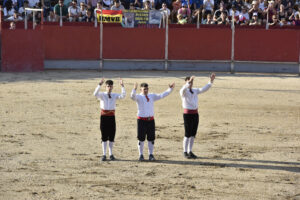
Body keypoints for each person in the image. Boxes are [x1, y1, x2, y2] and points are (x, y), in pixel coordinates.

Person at [131, 82, 175, 161]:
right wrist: (134, 89)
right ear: (141, 89)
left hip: (150, 120)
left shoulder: (151, 96)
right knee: (141, 138)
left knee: (151, 138)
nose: (146, 90)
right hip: (141, 120)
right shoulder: (139, 97)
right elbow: (132, 97)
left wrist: (170, 89)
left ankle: (151, 154)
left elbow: (162, 95)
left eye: (147, 89)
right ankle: (141, 155)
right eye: (144, 89)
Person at [180, 73, 215, 159]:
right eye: (188, 82)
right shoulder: (183, 91)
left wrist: (210, 81)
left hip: (195, 114)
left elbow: (204, 89)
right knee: (187, 134)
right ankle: (185, 152)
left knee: (193, 134)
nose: (190, 83)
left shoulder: (195, 90)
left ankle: (190, 151)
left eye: (191, 82)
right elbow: (183, 90)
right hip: (187, 114)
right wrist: (188, 82)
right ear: (185, 83)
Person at [93, 78, 126, 161]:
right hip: (104, 117)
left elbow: (123, 96)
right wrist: (99, 84)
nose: (109, 88)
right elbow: (95, 94)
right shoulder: (101, 95)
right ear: (105, 87)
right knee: (104, 136)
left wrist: (122, 86)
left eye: (111, 86)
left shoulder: (114, 95)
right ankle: (104, 154)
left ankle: (111, 154)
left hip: (111, 117)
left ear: (112, 87)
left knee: (111, 135)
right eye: (108, 86)